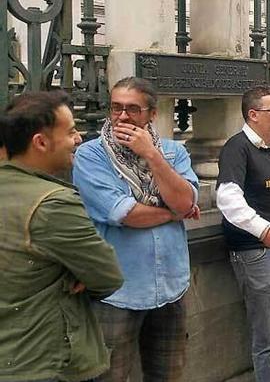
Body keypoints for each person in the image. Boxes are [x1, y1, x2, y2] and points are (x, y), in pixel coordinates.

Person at [73, 78, 199, 382]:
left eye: (133, 109)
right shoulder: (91, 156)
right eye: (116, 108)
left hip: (170, 287)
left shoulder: (171, 152)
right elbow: (125, 213)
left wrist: (152, 156)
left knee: (167, 375)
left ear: (152, 114)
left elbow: (185, 199)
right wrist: (174, 213)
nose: (123, 117)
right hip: (118, 292)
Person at [1, 91, 124, 382]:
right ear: (41, 142)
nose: (79, 138)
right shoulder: (54, 202)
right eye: (70, 132)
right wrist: (74, 275)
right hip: (45, 360)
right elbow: (107, 276)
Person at [215, 85, 270, 382]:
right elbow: (228, 198)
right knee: (268, 337)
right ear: (253, 114)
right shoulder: (236, 147)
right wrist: (264, 231)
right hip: (258, 252)